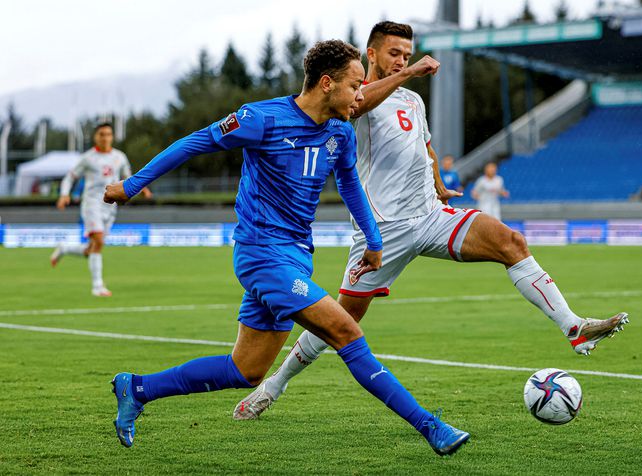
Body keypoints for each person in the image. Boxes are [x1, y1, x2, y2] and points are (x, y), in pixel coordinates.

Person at [234, 21, 629, 421]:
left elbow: (425, 147)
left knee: (511, 242)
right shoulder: (351, 98)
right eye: (394, 54)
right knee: (342, 318)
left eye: (407, 54)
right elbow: (362, 103)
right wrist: (408, 73)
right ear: (370, 55)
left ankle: (572, 326)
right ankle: (274, 385)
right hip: (385, 231)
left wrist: (440, 185)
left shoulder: (412, 102)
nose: (402, 61)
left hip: (432, 215)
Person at [104, 39, 470, 456]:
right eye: (355, 86)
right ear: (327, 83)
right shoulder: (260, 119)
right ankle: (431, 426)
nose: (361, 95)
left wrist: (373, 239)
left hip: (297, 257)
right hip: (261, 255)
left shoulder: (339, 132)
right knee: (346, 331)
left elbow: (350, 185)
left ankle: (136, 388)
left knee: (246, 370)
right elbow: (194, 142)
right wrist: (131, 186)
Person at [50, 123, 152, 296]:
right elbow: (70, 177)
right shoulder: (88, 158)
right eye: (101, 134)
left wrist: (142, 189)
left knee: (93, 248)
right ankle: (97, 286)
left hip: (110, 207)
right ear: (96, 137)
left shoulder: (119, 157)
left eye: (108, 134)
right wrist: (64, 194)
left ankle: (65, 248)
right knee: (98, 241)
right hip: (91, 204)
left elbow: (129, 178)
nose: (105, 137)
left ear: (112, 137)